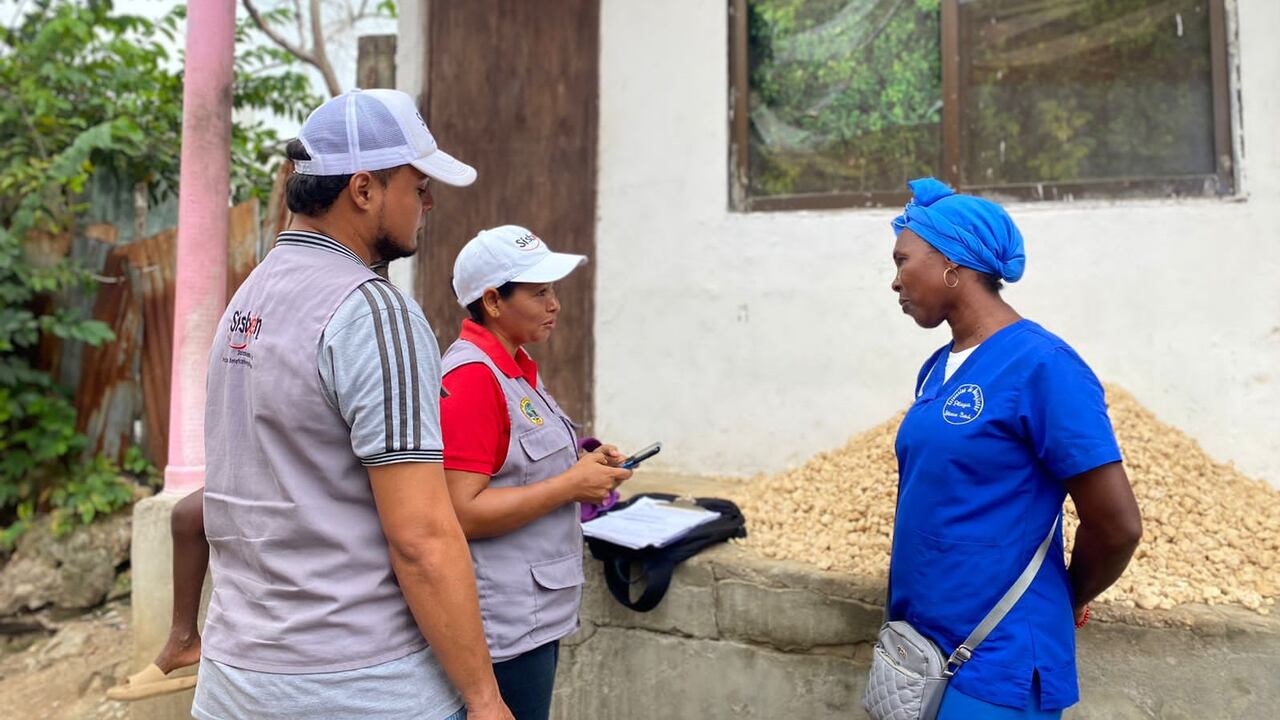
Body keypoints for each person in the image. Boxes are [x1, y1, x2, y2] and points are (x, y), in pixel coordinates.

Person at [189, 88, 510, 720]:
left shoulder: (249, 298)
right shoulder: (371, 310)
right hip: (358, 686)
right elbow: (421, 537)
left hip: (236, 679)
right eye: (417, 187)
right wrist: (484, 698)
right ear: (364, 190)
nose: (429, 203)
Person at [886, 178, 1142, 719]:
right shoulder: (938, 367)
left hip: (994, 659)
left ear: (952, 264)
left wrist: (1064, 601)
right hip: (920, 647)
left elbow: (1117, 526)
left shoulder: (1044, 366)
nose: (895, 281)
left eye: (903, 260)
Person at [439, 226, 632, 720]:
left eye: (553, 290)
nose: (555, 304)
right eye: (539, 291)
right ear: (492, 301)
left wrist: (584, 464)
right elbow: (461, 511)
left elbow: (518, 468)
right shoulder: (472, 380)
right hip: (502, 627)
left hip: (534, 613)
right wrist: (569, 485)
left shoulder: (516, 369)